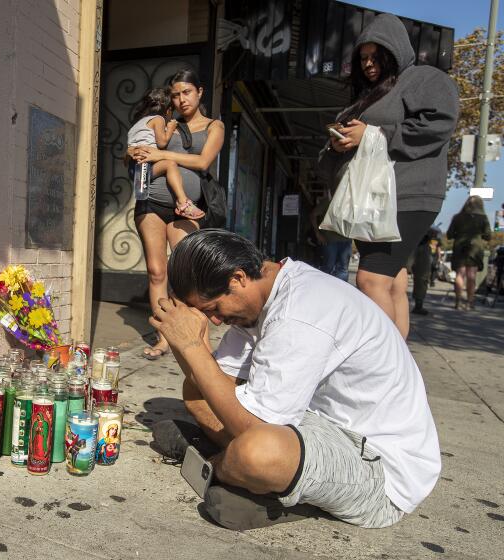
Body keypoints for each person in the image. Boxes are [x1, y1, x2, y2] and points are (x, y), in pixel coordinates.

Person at [150, 230, 440, 530]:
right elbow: (213, 384)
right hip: (319, 425)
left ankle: (228, 470)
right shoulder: (259, 299)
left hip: (379, 471)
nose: (216, 321)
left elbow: (256, 430)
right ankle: (244, 475)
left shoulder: (300, 311)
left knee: (257, 453)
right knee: (198, 392)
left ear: (237, 279)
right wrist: (183, 338)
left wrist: (193, 347)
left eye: (213, 310)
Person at [318, 14, 459, 339]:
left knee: (371, 280)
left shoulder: (424, 79)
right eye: (363, 57)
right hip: (371, 203)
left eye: (375, 56)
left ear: (394, 51)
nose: (368, 64)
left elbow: (439, 124)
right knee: (392, 281)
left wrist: (372, 134)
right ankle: (399, 373)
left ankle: (383, 368)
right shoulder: (369, 95)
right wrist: (338, 145)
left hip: (407, 197)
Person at [128, 69, 225, 360]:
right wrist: (134, 152)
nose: (181, 99)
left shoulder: (214, 126)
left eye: (187, 92)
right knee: (157, 272)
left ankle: (200, 341)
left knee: (190, 276)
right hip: (151, 204)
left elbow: (203, 161)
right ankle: (164, 338)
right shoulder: (166, 124)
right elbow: (138, 151)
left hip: (185, 209)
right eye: (175, 94)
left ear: (200, 92)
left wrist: (163, 156)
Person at [127, 88, 205, 219]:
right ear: (168, 110)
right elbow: (162, 142)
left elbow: (129, 150)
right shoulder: (158, 119)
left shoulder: (136, 124)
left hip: (135, 168)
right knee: (170, 164)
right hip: (146, 166)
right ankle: (183, 202)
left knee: (142, 194)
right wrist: (170, 129)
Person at [447, 195, 492, 309]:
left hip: (459, 248)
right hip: (475, 249)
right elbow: (488, 236)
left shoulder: (457, 217)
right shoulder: (483, 218)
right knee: (471, 276)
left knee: (459, 275)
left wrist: (460, 234)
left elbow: (449, 234)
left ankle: (458, 301)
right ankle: (469, 302)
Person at [309, 188, 352, 281]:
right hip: (330, 241)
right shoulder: (328, 201)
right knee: (328, 267)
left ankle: (340, 292)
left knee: (343, 269)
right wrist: (318, 234)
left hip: (346, 241)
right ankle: (324, 289)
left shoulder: (350, 203)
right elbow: (313, 215)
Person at [409, 230, 435, 315]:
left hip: (418, 243)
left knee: (422, 278)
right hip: (411, 242)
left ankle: (418, 305)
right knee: (422, 277)